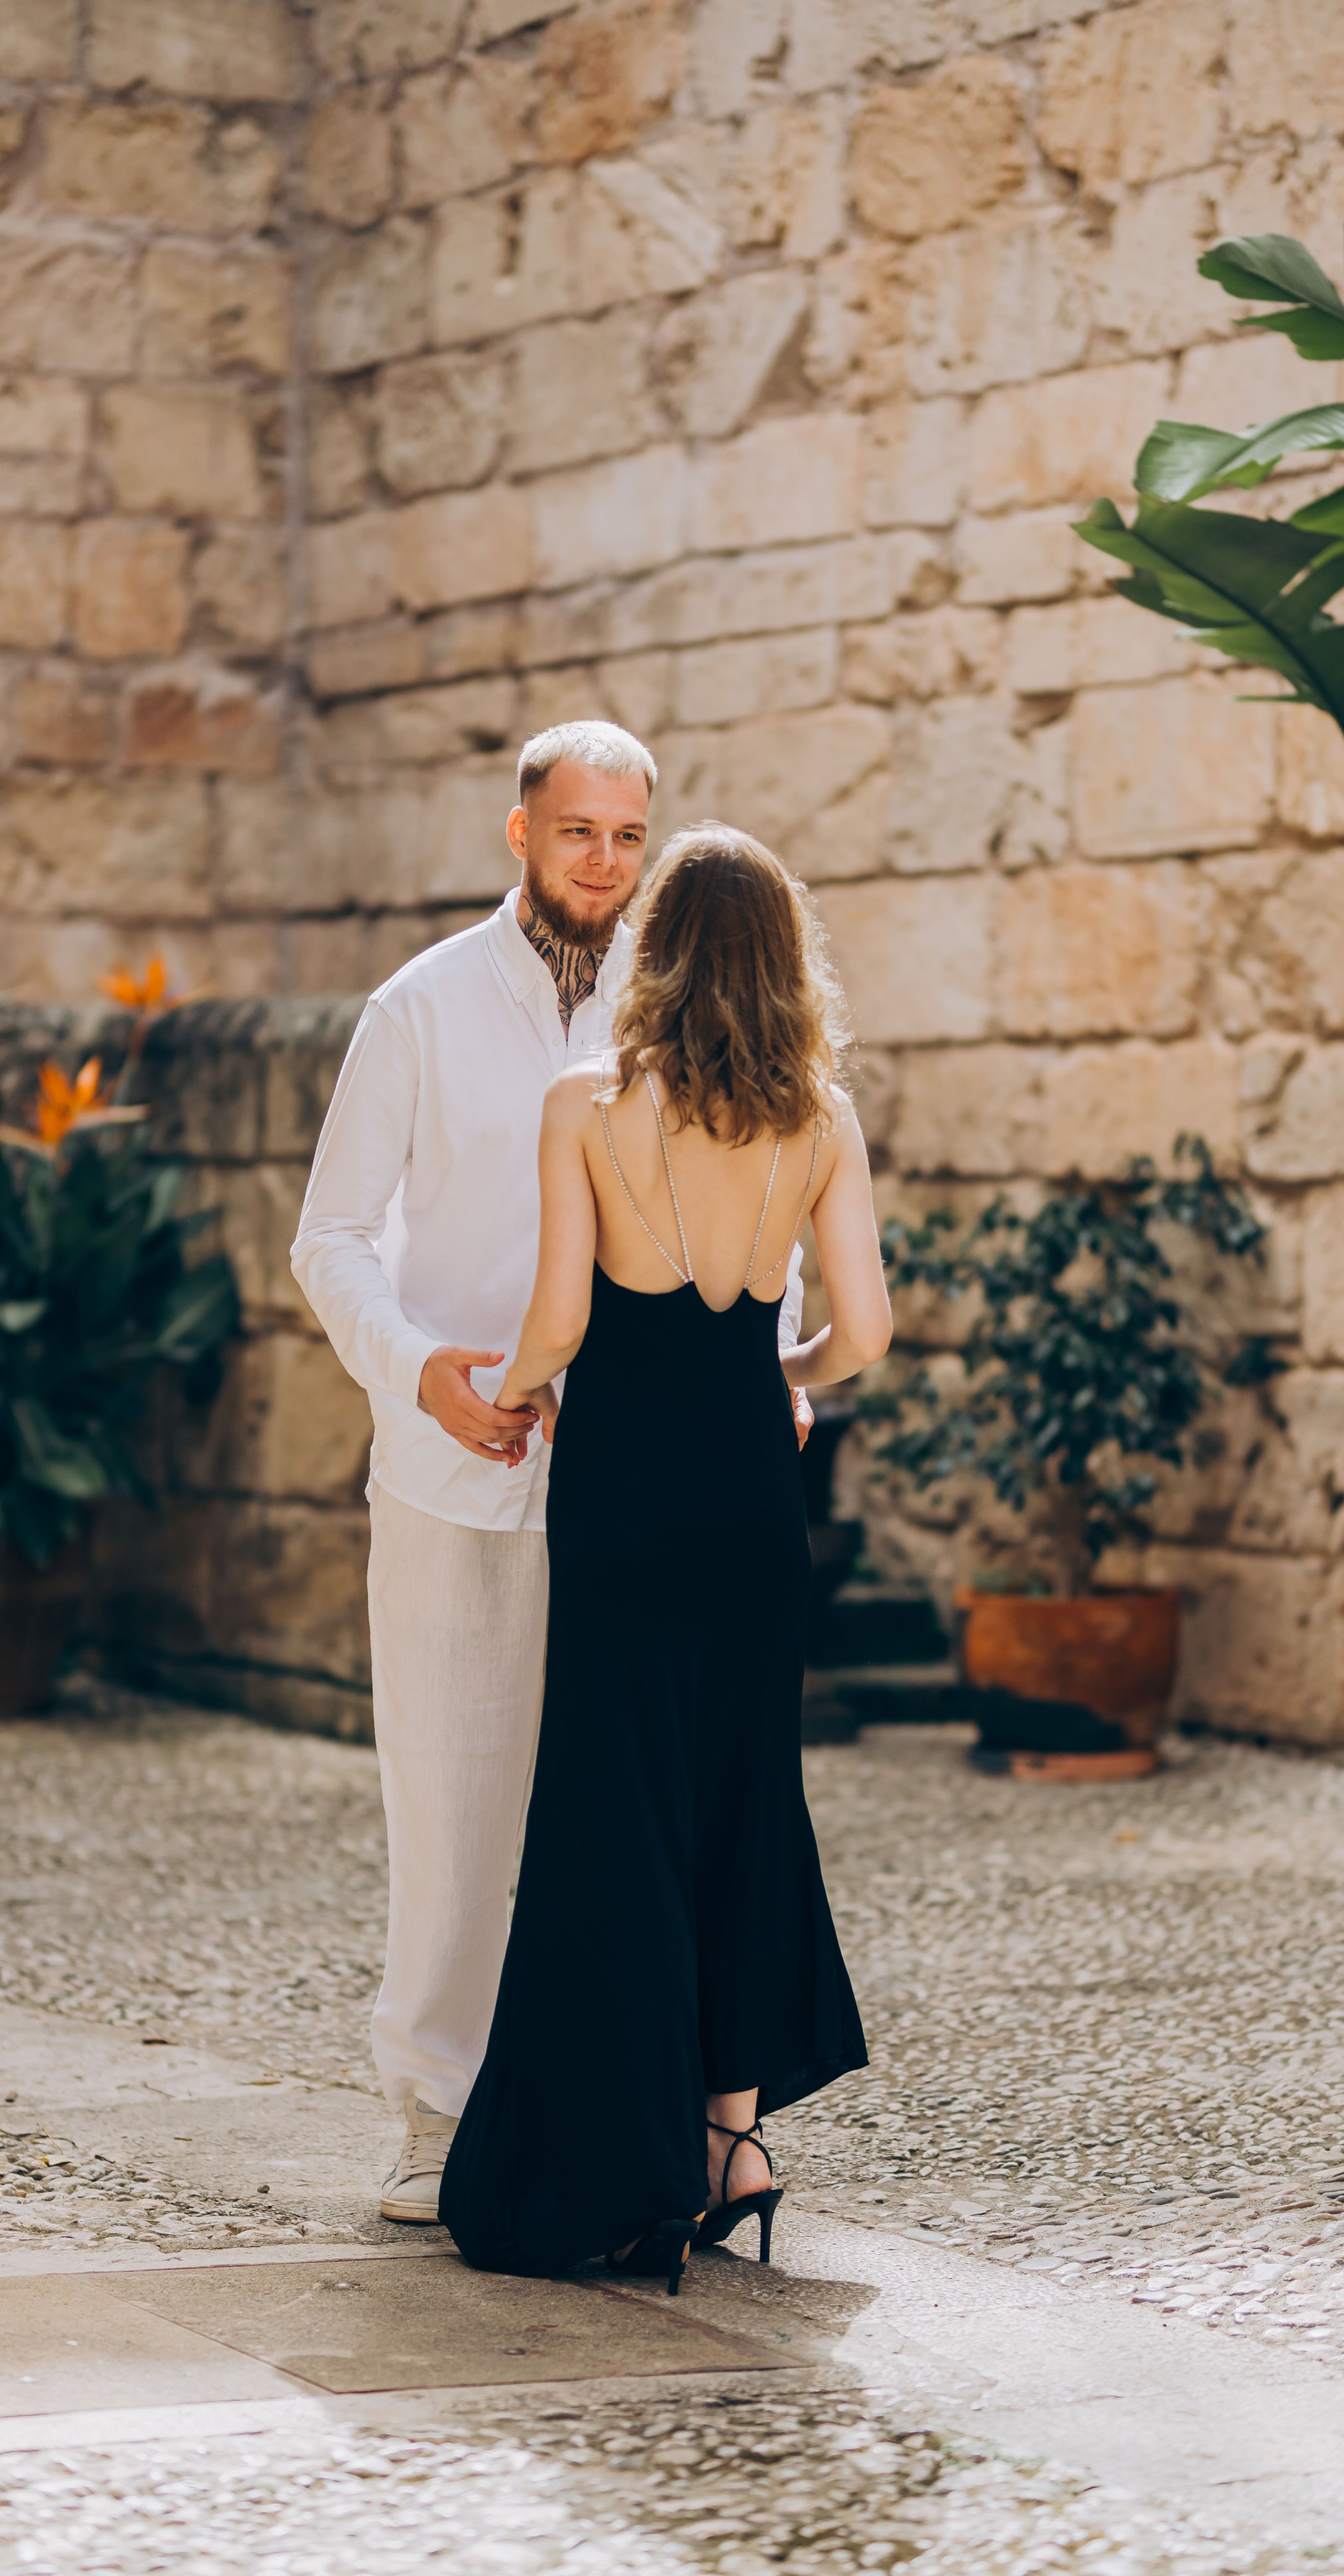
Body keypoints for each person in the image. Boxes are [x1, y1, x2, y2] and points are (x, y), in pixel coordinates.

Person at [291, 725, 808, 2225]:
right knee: (455, 1813)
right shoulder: (418, 1008)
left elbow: (758, 1219)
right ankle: (437, 2119)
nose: (602, 860)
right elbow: (331, 1238)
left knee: (627, 1820)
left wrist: (771, 1382)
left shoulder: (684, 1011)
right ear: (519, 832)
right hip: (459, 1474)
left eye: (627, 836)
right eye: (576, 830)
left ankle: (634, 2127)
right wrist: (421, 1375)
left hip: (639, 1493)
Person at [440, 822, 893, 2287]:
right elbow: (866, 1332)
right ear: (785, 965)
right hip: (752, 1498)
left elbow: (562, 1323)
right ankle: (729, 2147)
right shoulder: (822, 1118)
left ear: (658, 952)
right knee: (742, 1802)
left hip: (623, 1494)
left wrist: (505, 1394)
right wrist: (788, 1375)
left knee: (614, 1807)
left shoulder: (585, 1104)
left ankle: (619, 2170)